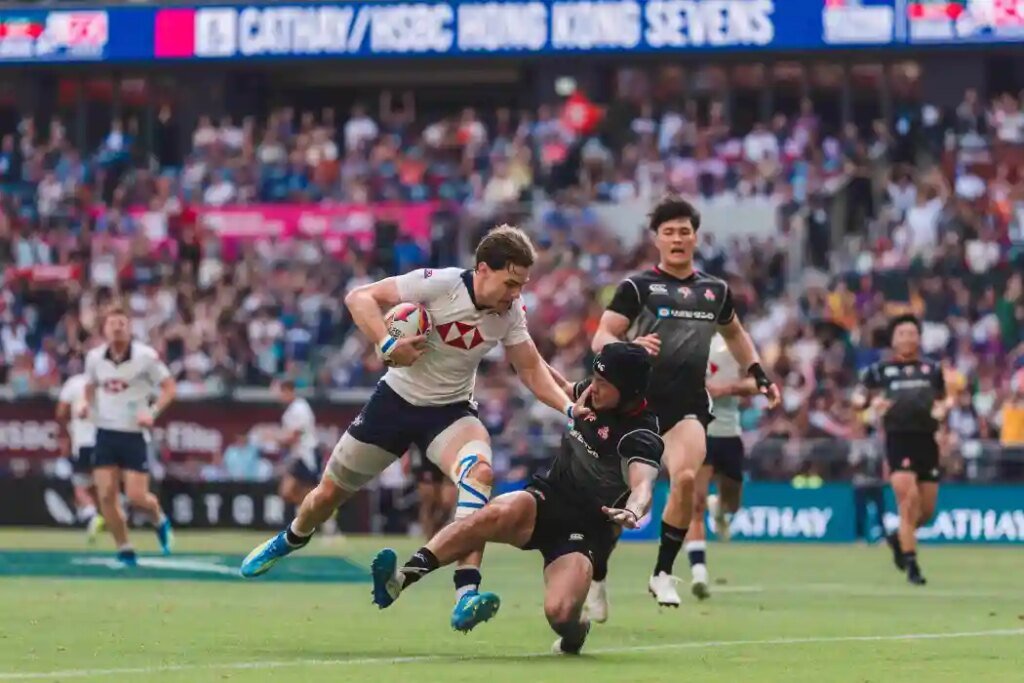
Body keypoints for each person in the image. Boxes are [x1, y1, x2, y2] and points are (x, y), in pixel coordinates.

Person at [240, 225, 586, 632]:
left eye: (521, 285)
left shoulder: (510, 313)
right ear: (482, 270)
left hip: (450, 413)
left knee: (480, 475)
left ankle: (466, 594)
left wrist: (567, 407)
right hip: (395, 403)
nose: (515, 294)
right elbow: (359, 298)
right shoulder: (436, 284)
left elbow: (529, 368)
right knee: (328, 495)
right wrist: (388, 344)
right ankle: (293, 537)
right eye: (510, 283)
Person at [370, 342, 663, 655]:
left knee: (561, 613)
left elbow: (642, 484)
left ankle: (576, 634)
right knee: (490, 516)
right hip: (546, 499)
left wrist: (633, 510)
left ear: (629, 392)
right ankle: (400, 579)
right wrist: (518, 348)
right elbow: (557, 383)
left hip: (586, 530)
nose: (593, 387)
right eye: (593, 378)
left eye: (603, 383)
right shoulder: (594, 394)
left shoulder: (641, 435)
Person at [590, 196, 779, 609]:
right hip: (636, 408)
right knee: (617, 506)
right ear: (656, 239)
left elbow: (735, 335)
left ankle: (661, 573)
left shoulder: (715, 290)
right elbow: (601, 336)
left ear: (695, 237)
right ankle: (598, 576)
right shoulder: (637, 287)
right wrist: (629, 346)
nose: (677, 238)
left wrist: (759, 374)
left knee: (688, 480)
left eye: (684, 231)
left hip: (687, 405)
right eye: (669, 231)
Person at [854, 314, 949, 585]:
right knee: (908, 502)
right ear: (894, 339)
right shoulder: (879, 370)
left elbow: (942, 401)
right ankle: (912, 565)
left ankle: (897, 539)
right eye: (902, 333)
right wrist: (869, 406)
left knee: (926, 511)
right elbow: (858, 399)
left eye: (912, 333)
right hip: (899, 440)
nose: (907, 338)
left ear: (919, 338)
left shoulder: (933, 370)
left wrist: (944, 413)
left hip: (927, 441)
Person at [80, 306, 176, 566]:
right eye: (112, 323)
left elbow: (169, 387)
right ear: (104, 328)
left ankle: (158, 518)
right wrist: (85, 405)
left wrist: (153, 412)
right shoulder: (94, 358)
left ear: (130, 327)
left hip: (133, 433)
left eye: (122, 322)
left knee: (136, 496)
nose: (117, 327)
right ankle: (124, 547)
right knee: (107, 495)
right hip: (105, 432)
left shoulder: (146, 357)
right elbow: (89, 386)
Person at [684, 333, 760, 599]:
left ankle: (720, 510)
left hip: (729, 432)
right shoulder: (685, 340)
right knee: (695, 503)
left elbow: (757, 384)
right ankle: (699, 573)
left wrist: (724, 390)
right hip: (698, 429)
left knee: (733, 503)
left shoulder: (735, 342)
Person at [56, 367, 105, 544]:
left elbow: (60, 412)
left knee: (80, 487)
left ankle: (92, 514)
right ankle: (103, 517)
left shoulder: (74, 383)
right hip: (105, 441)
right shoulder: (106, 384)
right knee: (97, 485)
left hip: (84, 442)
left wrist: (68, 429)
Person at [273, 379, 322, 507]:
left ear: (288, 391)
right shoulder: (289, 411)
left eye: (281, 393)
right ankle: (306, 515)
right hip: (297, 455)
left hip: (308, 454)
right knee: (286, 492)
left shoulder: (300, 407)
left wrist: (276, 438)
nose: (279, 397)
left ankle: (323, 518)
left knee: (312, 492)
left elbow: (295, 435)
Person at [412, 446, 457, 539]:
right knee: (428, 503)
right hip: (427, 454)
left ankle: (437, 535)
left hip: (449, 453)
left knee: (447, 503)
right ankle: (429, 540)